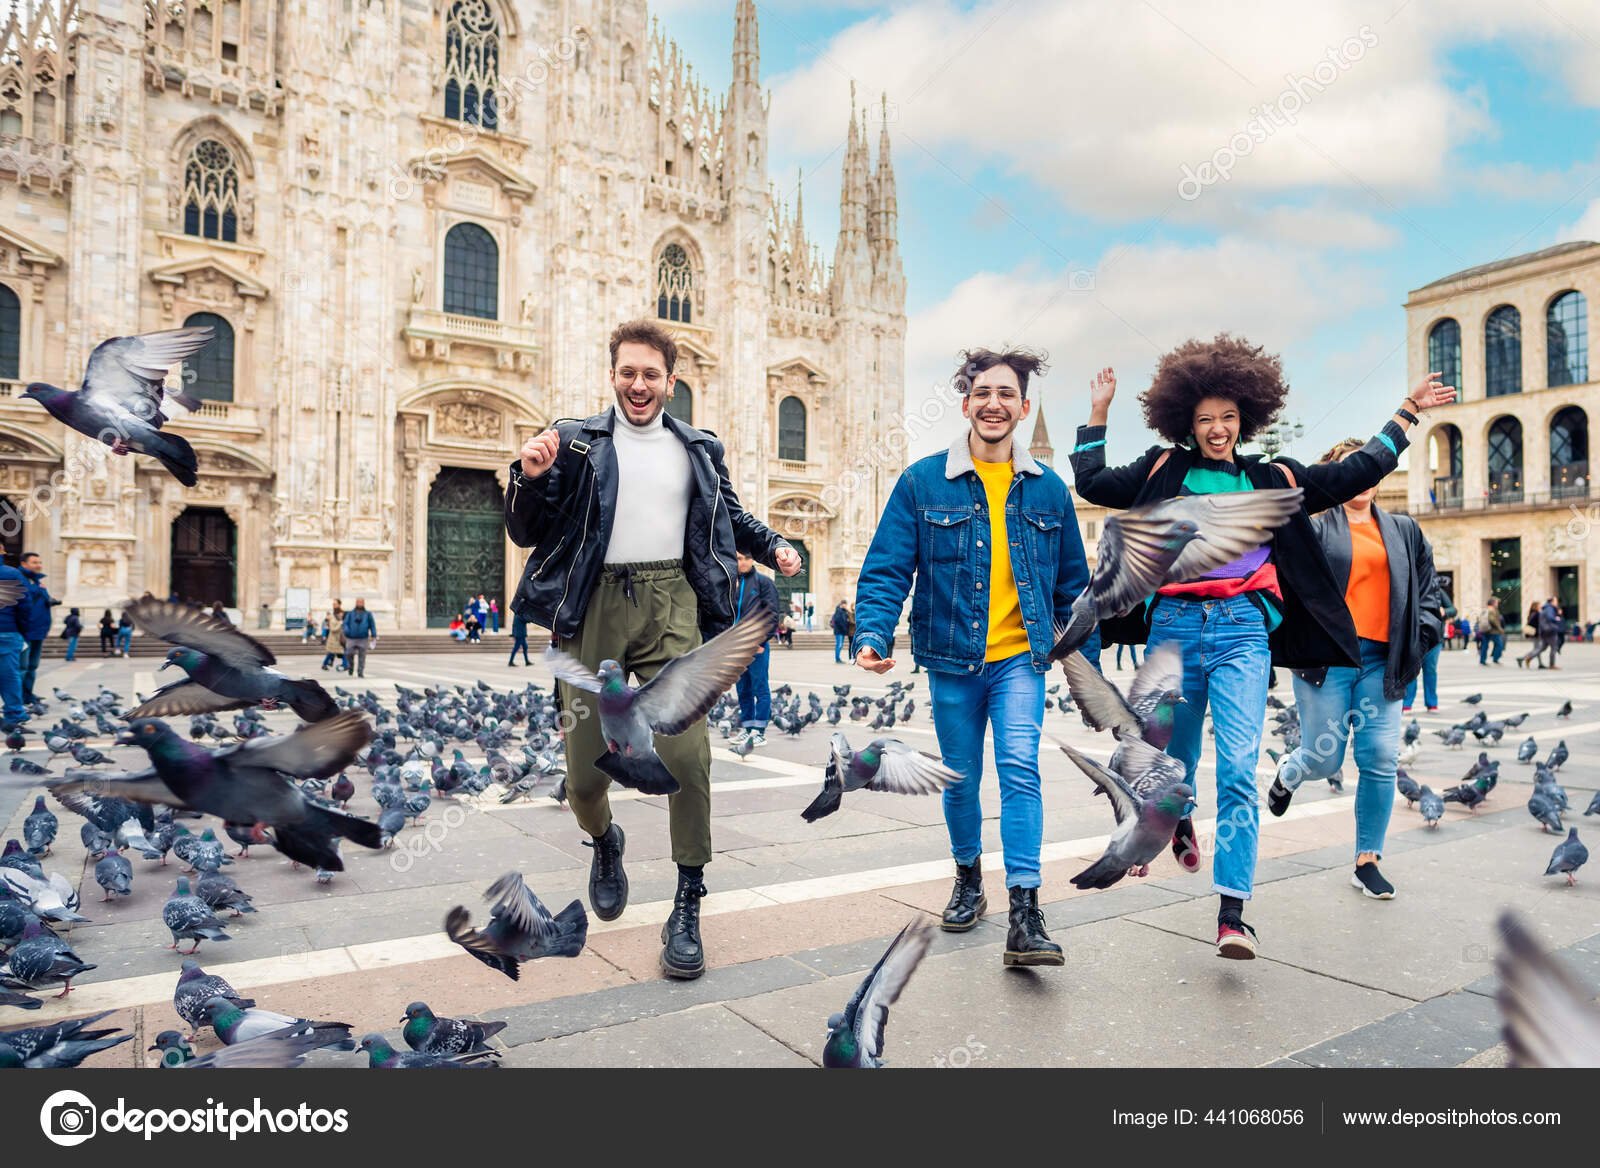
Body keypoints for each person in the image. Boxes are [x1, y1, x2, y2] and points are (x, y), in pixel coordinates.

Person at [1070, 339, 1453, 959]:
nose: (1217, 429)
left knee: (1240, 772)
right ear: (1185, 424)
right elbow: (1090, 480)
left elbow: (1351, 474)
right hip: (1173, 626)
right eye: (1204, 420)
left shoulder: (1273, 478)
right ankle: (1175, 821)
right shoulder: (1161, 469)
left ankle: (1232, 914)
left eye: (1227, 417)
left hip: (1243, 631)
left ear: (1245, 417)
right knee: (1173, 763)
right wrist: (1098, 410)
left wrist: (1407, 412)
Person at [504, 318, 799, 980]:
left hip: (673, 602)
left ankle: (688, 897)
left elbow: (732, 515)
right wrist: (526, 476)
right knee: (583, 775)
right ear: (612, 376)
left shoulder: (697, 446)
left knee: (689, 758)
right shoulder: (576, 442)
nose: (640, 384)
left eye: (652, 374)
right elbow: (525, 530)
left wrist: (771, 543)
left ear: (672, 381)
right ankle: (605, 840)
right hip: (595, 604)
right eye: (628, 372)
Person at [856, 346, 1097, 969]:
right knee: (959, 778)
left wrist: (1087, 668)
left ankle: (1025, 908)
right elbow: (887, 567)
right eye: (982, 393)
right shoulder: (922, 480)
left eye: (1006, 394)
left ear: (1022, 406)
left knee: (1020, 767)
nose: (994, 404)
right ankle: (968, 875)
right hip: (951, 658)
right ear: (966, 405)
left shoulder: (1050, 492)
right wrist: (873, 633)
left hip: (1021, 657)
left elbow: (1075, 587)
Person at [1266, 438, 1443, 901]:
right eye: (1350, 470)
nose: (1361, 480)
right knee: (1324, 759)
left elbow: (1429, 593)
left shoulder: (1405, 530)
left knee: (1381, 760)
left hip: (1383, 661)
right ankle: (1289, 771)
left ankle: (1368, 860)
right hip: (1327, 660)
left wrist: (1422, 637)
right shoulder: (1316, 527)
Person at [731, 551, 780, 748]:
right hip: (736, 646)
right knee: (743, 688)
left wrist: (762, 641)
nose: (742, 563)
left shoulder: (763, 583)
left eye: (746, 559)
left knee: (760, 687)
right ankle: (748, 727)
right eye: (739, 559)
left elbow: (772, 613)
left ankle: (759, 731)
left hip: (756, 645)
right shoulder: (731, 583)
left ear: (753, 560)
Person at [16, 552, 57, 705]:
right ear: (24, 564)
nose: (39, 565)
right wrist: (39, 588)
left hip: (38, 630)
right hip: (25, 630)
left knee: (32, 666)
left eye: (40, 562)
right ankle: (16, 699)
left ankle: (28, 695)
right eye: (34, 562)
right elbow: (24, 598)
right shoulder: (20, 578)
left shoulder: (36, 581)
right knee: (22, 667)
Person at [0, 559, 28, 730]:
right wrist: (22, 629)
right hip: (7, 630)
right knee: (9, 675)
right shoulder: (11, 573)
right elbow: (24, 605)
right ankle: (14, 713)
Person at [342, 598, 377, 678]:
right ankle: (351, 667)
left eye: (361, 602)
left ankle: (360, 672)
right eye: (359, 602)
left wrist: (373, 635)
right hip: (351, 638)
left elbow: (372, 625)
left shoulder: (368, 614)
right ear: (356, 603)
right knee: (349, 654)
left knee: (362, 656)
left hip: (363, 638)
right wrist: (347, 631)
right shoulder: (350, 614)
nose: (360, 604)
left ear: (364, 603)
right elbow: (345, 624)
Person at [1478, 597, 1505, 665]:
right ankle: (1495, 658)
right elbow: (1492, 620)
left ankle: (1482, 660)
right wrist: (1499, 628)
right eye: (1496, 602)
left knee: (1485, 645)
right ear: (1493, 603)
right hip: (1493, 631)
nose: (1497, 604)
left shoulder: (1485, 610)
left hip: (1485, 630)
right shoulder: (1492, 610)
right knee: (1499, 645)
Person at [322, 602, 345, 670]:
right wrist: (340, 624)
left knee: (332, 653)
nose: (341, 615)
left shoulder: (339, 619)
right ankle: (346, 665)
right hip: (333, 639)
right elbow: (333, 629)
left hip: (338, 639)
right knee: (339, 653)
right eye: (341, 614)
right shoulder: (333, 618)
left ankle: (325, 664)